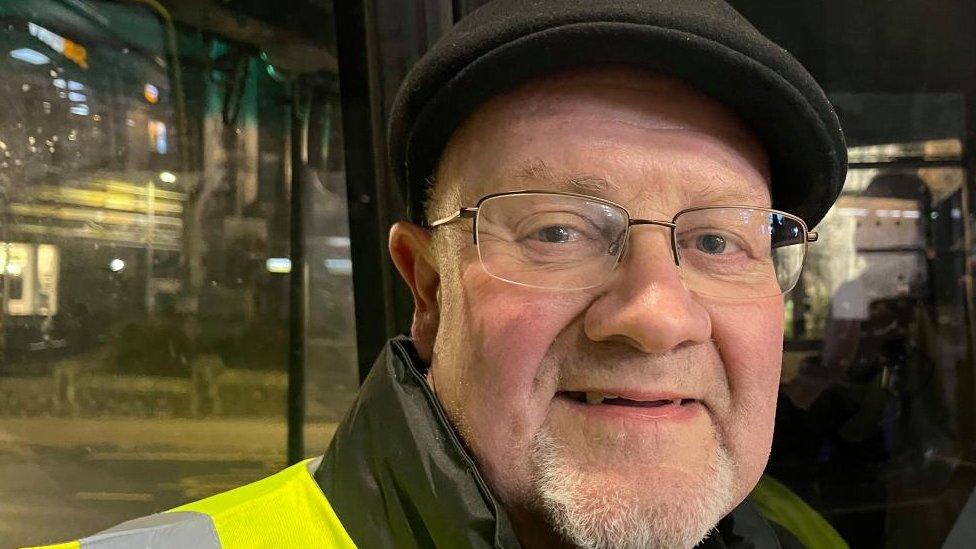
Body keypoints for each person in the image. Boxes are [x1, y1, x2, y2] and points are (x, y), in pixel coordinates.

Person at [27, 0, 848, 548]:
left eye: (716, 242)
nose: (657, 314)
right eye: (557, 229)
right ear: (428, 291)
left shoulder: (802, 536)